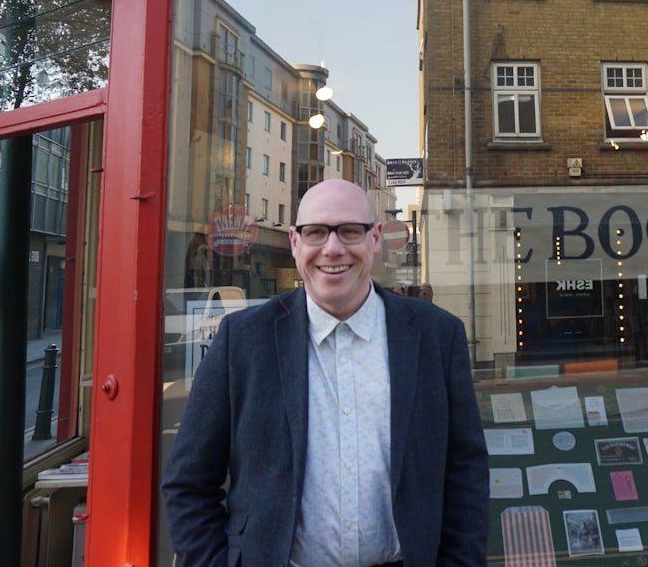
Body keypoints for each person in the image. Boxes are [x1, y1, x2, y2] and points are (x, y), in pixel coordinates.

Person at [162, 179, 489, 567]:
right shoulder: (242, 341)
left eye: (350, 230)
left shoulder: (437, 335)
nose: (333, 248)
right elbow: (188, 484)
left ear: (376, 238)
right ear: (295, 242)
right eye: (316, 232)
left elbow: (466, 470)